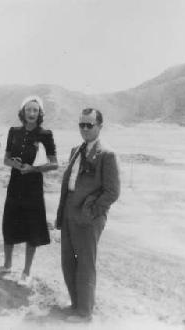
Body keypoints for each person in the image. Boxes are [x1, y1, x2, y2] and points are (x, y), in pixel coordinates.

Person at [55, 108, 120, 322]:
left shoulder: (107, 154)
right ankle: (76, 305)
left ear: (100, 126)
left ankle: (85, 313)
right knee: (68, 261)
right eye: (81, 124)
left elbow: (112, 191)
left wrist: (91, 211)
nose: (84, 128)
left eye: (89, 125)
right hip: (69, 211)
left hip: (89, 215)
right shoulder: (76, 149)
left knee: (85, 263)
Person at [0, 96, 58, 286]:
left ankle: (26, 271)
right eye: (28, 110)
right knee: (9, 223)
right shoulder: (13, 132)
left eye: (35, 110)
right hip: (15, 184)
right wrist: (15, 164)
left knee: (32, 227)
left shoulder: (45, 134)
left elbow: (54, 163)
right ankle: (7, 265)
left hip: (33, 186)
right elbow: (6, 159)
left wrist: (33, 169)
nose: (31, 113)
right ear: (23, 112)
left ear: (39, 113)